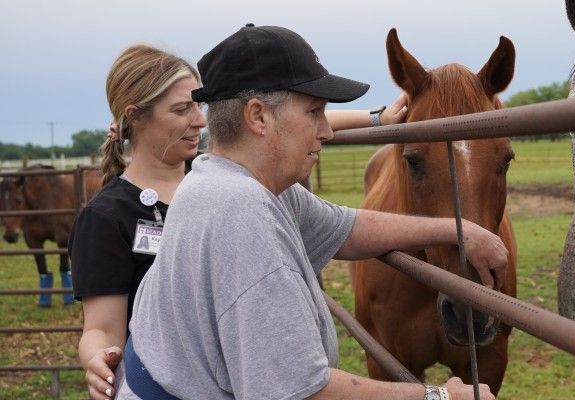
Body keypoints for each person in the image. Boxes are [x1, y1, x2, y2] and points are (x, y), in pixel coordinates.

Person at [115, 24, 506, 400]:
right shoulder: (242, 217)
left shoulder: (233, 180)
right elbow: (299, 392)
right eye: (314, 112)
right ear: (258, 117)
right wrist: (438, 396)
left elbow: (346, 228)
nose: (327, 131)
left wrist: (458, 231)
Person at [71, 44, 408, 400]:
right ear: (135, 116)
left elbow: (288, 122)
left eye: (199, 105)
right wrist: (96, 356)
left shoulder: (211, 177)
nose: (199, 119)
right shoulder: (107, 218)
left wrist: (376, 117)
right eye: (182, 109)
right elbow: (101, 328)